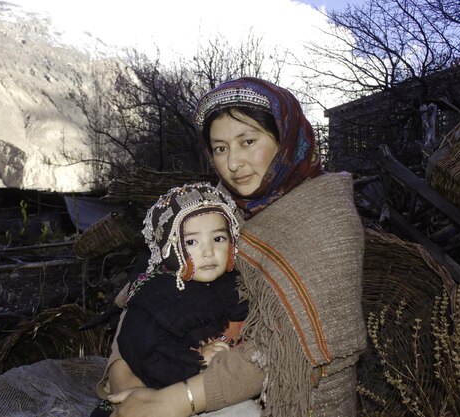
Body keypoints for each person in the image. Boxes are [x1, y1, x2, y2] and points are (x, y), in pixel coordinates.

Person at [100, 77, 367, 417]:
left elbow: (286, 347)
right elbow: (151, 286)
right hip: (188, 378)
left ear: (285, 140)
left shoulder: (325, 217)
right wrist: (124, 371)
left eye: (248, 141)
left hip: (299, 402)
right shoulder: (217, 207)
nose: (233, 163)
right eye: (220, 148)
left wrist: (176, 399)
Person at [90, 182, 248, 416]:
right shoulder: (154, 297)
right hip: (157, 398)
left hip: (216, 394)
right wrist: (195, 359)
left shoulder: (239, 287)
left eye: (218, 239)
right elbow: (142, 354)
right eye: (191, 242)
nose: (208, 252)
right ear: (169, 249)